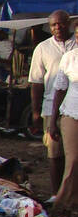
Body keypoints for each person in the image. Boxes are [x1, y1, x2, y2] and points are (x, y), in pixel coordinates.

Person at [29, 10, 72, 202]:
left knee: (73, 155)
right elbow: (36, 82)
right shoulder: (43, 48)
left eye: (61, 24)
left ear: (69, 24)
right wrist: (36, 111)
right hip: (50, 107)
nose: (58, 28)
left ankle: (70, 194)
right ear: (49, 26)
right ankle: (56, 194)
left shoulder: (76, 45)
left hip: (74, 108)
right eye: (54, 25)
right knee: (54, 154)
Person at [49, 43, 78, 217]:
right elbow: (59, 90)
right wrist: (53, 121)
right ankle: (62, 204)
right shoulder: (70, 58)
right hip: (71, 113)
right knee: (73, 160)